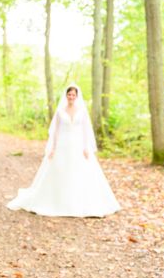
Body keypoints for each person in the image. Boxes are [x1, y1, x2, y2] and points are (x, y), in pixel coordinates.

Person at [7, 85, 120, 217]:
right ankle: (57, 202)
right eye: (69, 95)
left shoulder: (82, 111)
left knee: (80, 171)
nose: (71, 97)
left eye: (73, 95)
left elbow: (85, 131)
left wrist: (85, 147)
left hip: (78, 146)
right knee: (60, 170)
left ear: (77, 97)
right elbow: (55, 131)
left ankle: (80, 203)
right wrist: (53, 148)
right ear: (66, 96)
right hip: (63, 144)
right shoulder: (60, 111)